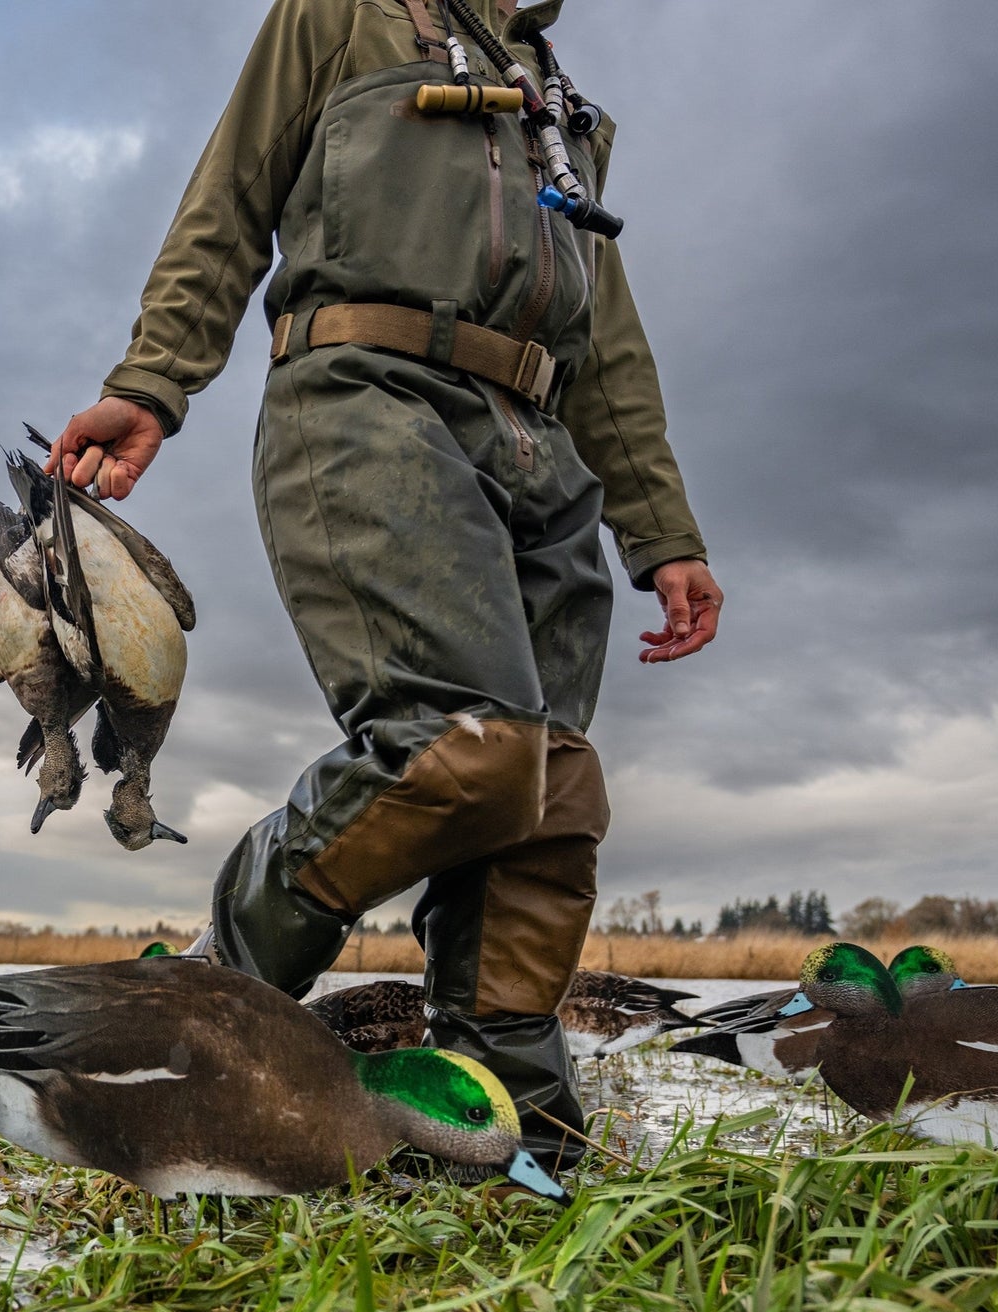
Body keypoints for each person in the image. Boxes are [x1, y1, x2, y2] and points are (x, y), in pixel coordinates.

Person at [45, 0, 723, 1170]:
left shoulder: (553, 95)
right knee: (462, 747)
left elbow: (604, 333)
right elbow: (231, 195)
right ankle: (218, 989)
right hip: (366, 395)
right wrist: (154, 379)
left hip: (539, 443)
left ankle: (510, 1145)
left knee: (549, 795)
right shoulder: (342, 14)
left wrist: (658, 527)